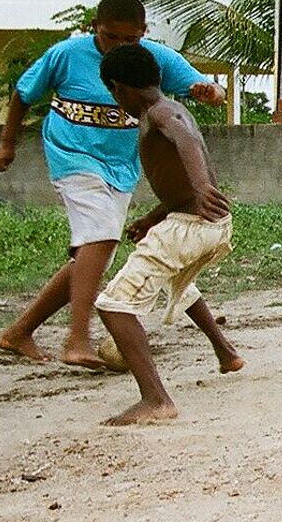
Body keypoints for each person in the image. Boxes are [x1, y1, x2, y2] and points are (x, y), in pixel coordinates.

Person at [0, 0, 224, 368]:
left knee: (95, 254)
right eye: (111, 37)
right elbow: (23, 92)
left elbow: (205, 93)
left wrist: (209, 91)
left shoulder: (151, 59)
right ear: (94, 27)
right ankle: (77, 339)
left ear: (143, 35)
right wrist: (6, 144)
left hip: (120, 165)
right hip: (73, 156)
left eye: (129, 40)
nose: (120, 46)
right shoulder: (67, 54)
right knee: (99, 239)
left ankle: (19, 331)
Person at [92, 45, 241, 425]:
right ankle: (225, 352)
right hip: (201, 223)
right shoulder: (166, 109)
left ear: (119, 89)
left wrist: (203, 185)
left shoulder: (163, 113)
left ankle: (156, 400)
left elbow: (186, 141)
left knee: (113, 304)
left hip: (193, 225)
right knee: (178, 279)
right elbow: (177, 183)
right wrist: (154, 217)